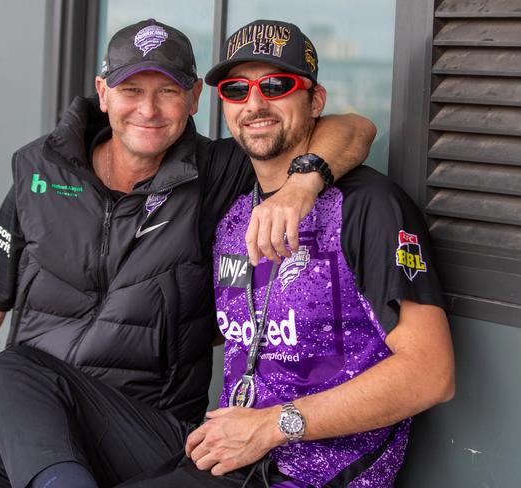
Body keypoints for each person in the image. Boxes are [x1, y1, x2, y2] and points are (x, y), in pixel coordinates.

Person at [0, 19, 375, 488]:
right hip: (34, 427)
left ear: (195, 98)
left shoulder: (218, 173)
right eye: (132, 90)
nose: (149, 110)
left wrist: (302, 183)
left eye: (168, 93)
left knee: (12, 367)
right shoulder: (41, 173)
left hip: (145, 435)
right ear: (103, 93)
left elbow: (354, 127)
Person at [120, 19, 456, 488]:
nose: (255, 103)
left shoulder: (370, 206)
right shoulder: (234, 211)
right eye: (237, 90)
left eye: (277, 85)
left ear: (315, 100)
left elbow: (430, 374)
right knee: (22, 375)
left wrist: (273, 426)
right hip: (226, 461)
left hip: (318, 475)